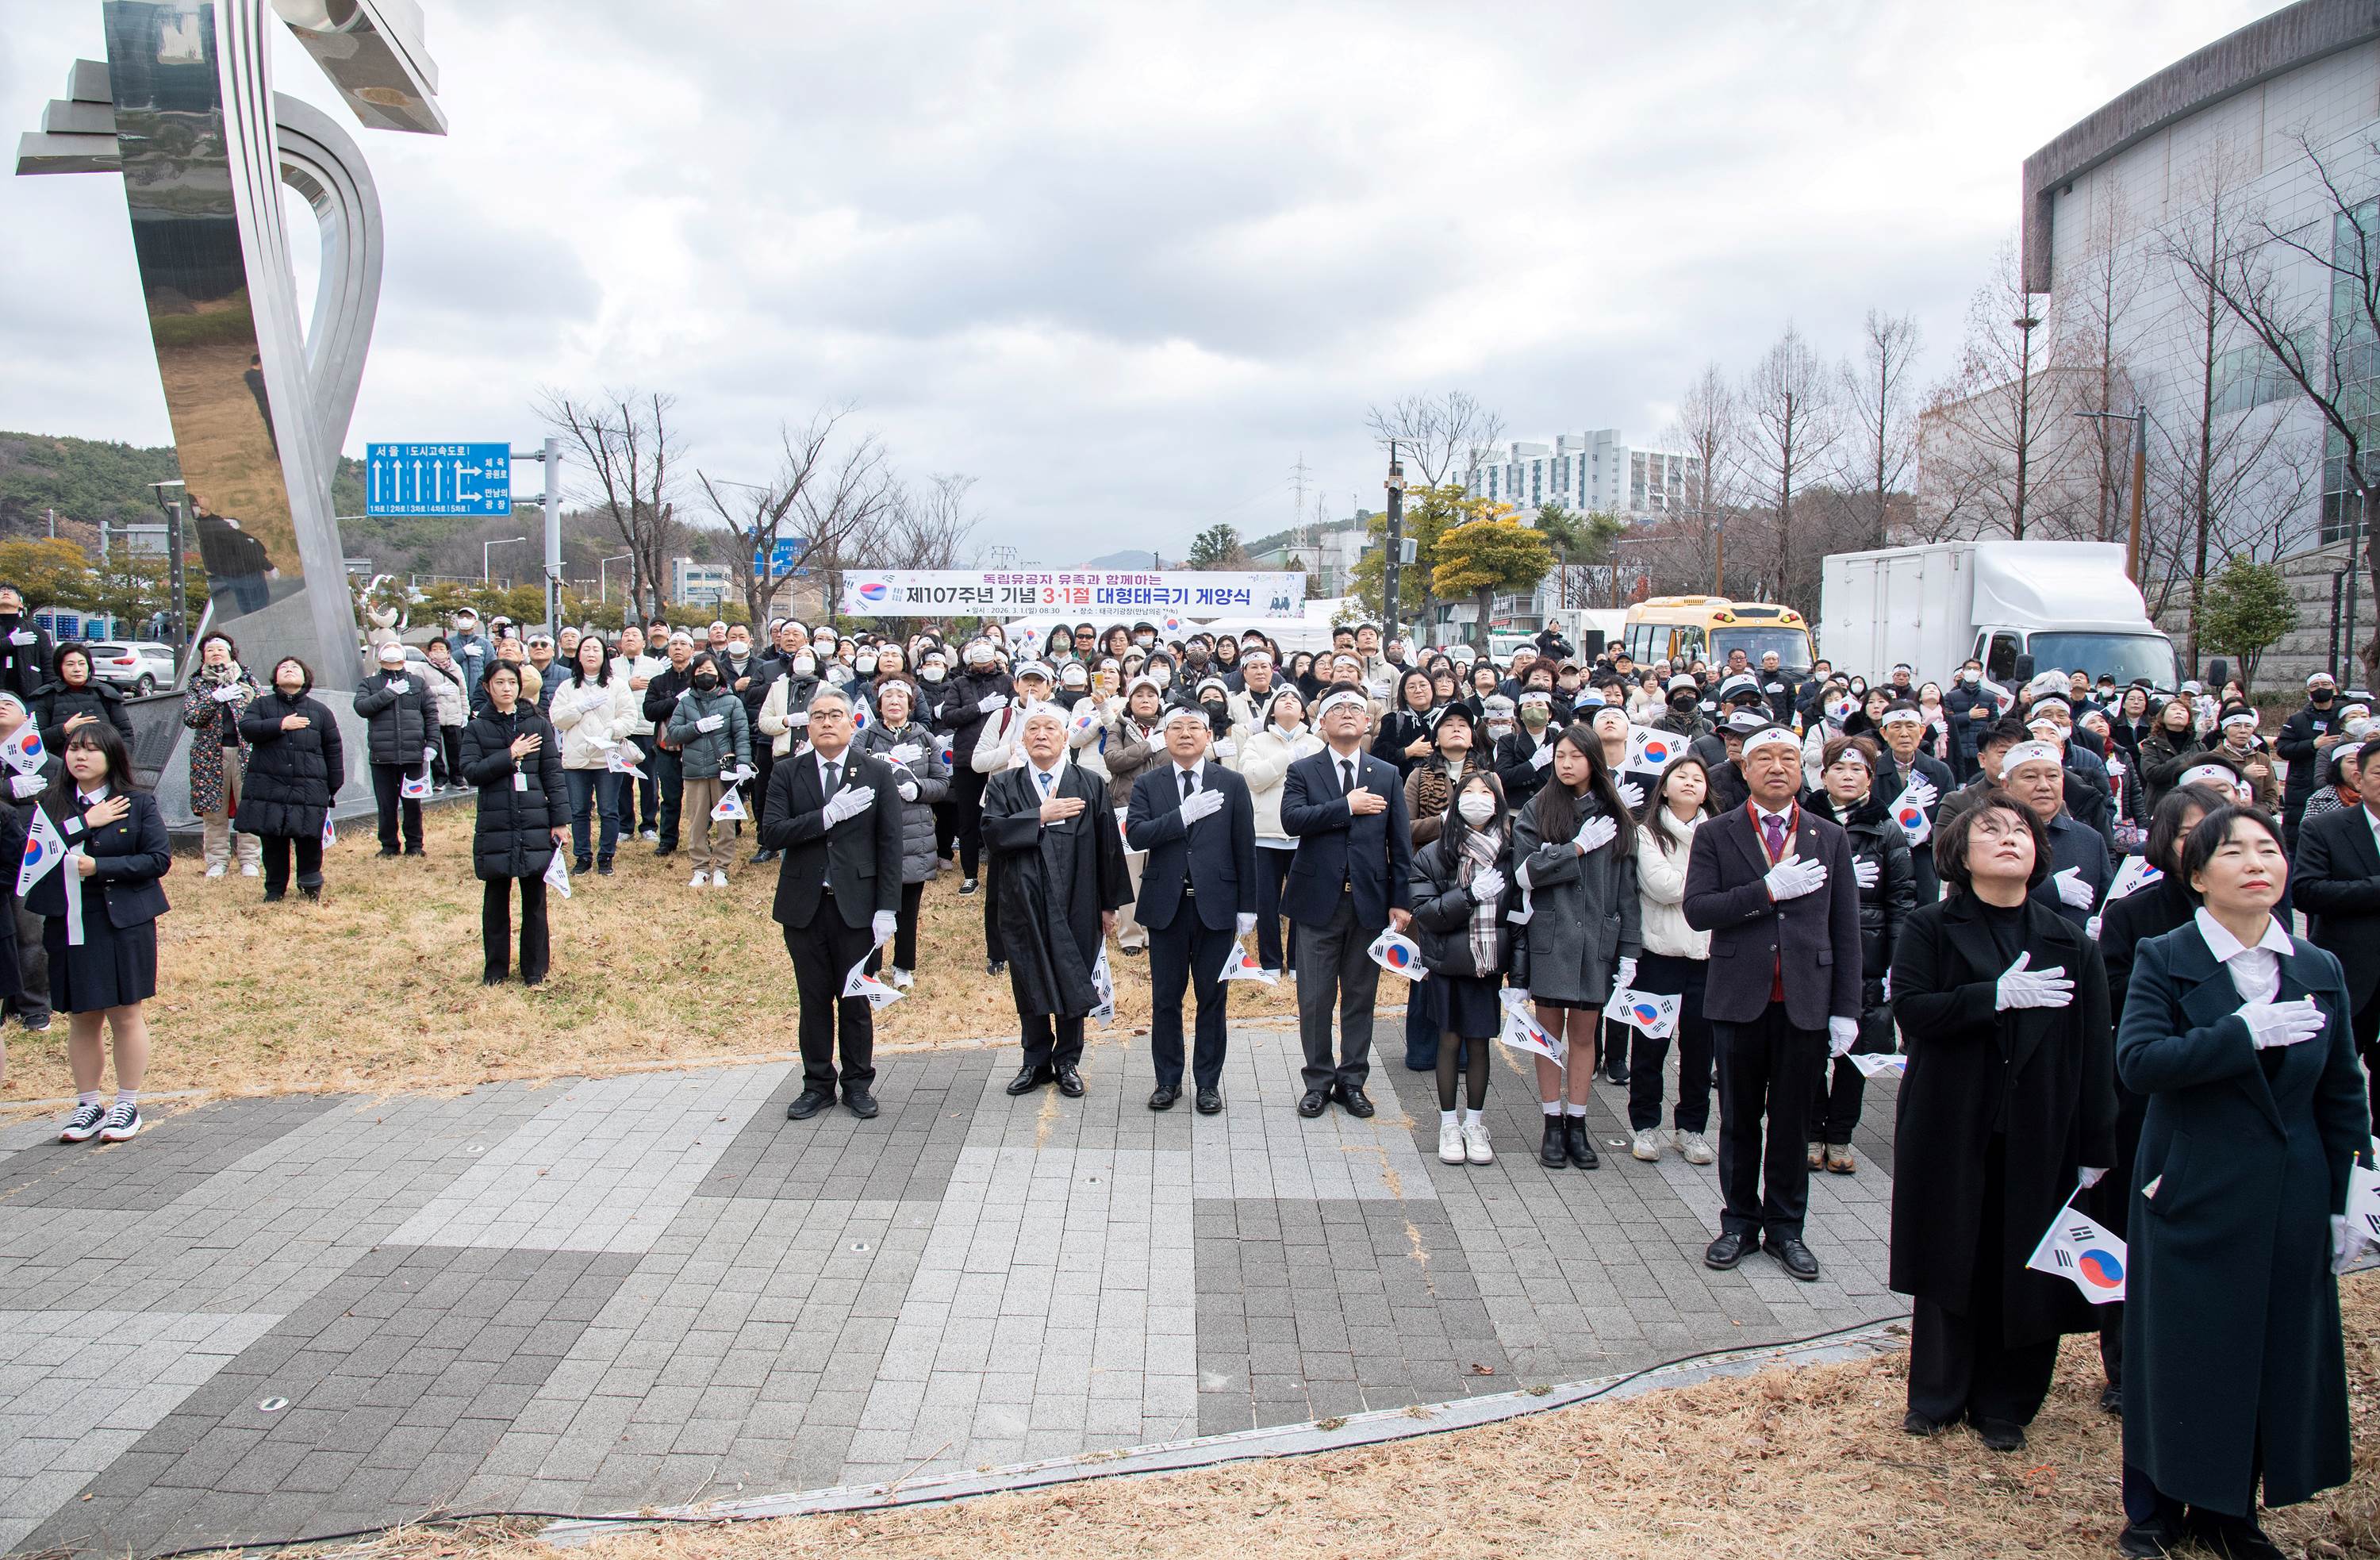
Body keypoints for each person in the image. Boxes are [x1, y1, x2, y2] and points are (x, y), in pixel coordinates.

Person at [2113, 805, 2368, 1558]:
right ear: (2197, 877)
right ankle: (2153, 1507)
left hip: (2289, 1188)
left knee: (2267, 1348)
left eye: (2269, 848)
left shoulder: (2318, 968)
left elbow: (2342, 1095)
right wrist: (2241, 1033)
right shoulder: (2167, 955)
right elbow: (2140, 1064)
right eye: (2233, 852)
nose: (2258, 863)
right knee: (2179, 1348)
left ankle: (2232, 1511)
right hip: (2192, 1183)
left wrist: (2347, 1202)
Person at [1886, 794, 2116, 1452]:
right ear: (1960, 853)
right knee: (1949, 1253)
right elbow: (1914, 1011)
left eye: (2022, 831)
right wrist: (1993, 996)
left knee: (2028, 1263)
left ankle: (2006, 1402)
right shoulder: (1931, 926)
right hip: (1952, 1117)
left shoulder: (2070, 939)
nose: (2010, 838)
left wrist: (2097, 1143)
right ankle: (1937, 1394)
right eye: (1992, 830)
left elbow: (2095, 1051)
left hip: (2041, 1123)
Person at [1683, 726, 1863, 1282]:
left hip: (1804, 998)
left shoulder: (1828, 836)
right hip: (1740, 997)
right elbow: (1699, 910)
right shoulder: (1717, 833)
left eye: (1789, 758)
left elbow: (1846, 926)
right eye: (1765, 758)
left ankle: (1787, 1228)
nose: (1778, 767)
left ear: (1803, 771)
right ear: (1745, 770)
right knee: (1739, 1118)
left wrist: (1846, 1009)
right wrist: (1767, 890)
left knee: (1791, 1121)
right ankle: (1738, 1221)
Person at [2091, 782, 2227, 1418]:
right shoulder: (2133, 914)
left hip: (2229, 1104)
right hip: (2147, 1100)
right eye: (2188, 831)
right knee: (2131, 1227)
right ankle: (2124, 1364)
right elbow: (2116, 1002)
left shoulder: (2258, 916)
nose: (2205, 842)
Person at [762, 686, 903, 1121]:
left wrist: (887, 908)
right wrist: (826, 815)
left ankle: (858, 1083)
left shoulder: (876, 773)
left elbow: (889, 844)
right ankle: (817, 1084)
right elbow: (771, 833)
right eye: (818, 715)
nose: (826, 721)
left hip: (858, 908)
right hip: (805, 905)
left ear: (851, 722)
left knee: (856, 1000)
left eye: (835, 714)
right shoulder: (788, 772)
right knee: (814, 998)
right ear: (808, 723)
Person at [982, 704, 1130, 1098]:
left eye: (1051, 728)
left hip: (1078, 895)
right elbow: (992, 835)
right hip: (1022, 898)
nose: (1042, 735)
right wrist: (1039, 815)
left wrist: (1108, 904)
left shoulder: (1089, 783)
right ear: (1023, 739)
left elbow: (1108, 845)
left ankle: (1067, 1060)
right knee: (1028, 975)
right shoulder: (1004, 785)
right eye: (1034, 729)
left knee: (1073, 971)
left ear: (1066, 737)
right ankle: (1034, 1060)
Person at [1280, 686, 1415, 1119]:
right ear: (1321, 722)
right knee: (1315, 998)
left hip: (1370, 904)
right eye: (1336, 708)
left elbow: (1400, 843)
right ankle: (1317, 1081)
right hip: (1318, 902)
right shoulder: (1303, 769)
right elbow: (1291, 821)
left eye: (1355, 708)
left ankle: (1352, 1081)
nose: (1346, 714)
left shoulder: (1386, 773)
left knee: (1360, 996)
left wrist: (1401, 900)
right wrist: (1346, 805)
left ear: (1368, 722)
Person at [1511, 722, 1639, 1169]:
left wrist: (1630, 951)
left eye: (1576, 757)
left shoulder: (1614, 814)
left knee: (1585, 1036)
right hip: (1551, 935)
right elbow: (1524, 872)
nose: (1566, 764)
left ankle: (1578, 1123)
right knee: (1548, 1035)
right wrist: (1576, 850)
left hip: (1597, 939)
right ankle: (1550, 1123)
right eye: (1560, 756)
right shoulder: (1537, 808)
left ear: (1593, 761)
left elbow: (1627, 890)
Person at [33, 724, 167, 1146]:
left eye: (91, 750)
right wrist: (83, 823)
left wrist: (100, 868)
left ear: (111, 757)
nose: (80, 757)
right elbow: (32, 858)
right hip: (70, 919)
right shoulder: (50, 804)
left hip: (124, 918)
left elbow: (157, 859)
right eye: (74, 748)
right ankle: (88, 1103)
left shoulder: (138, 802)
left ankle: (127, 1102)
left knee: (125, 1012)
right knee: (82, 1015)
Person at [1125, 703, 1257, 1115]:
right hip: (1167, 905)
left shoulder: (1231, 782)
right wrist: (1181, 816)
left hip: (1215, 906)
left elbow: (1244, 846)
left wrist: (1247, 906)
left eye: (1194, 727)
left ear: (1209, 736)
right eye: (1176, 727)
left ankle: (1207, 1084)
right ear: (1165, 737)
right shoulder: (1150, 784)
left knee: (1212, 997)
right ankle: (1167, 1080)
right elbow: (1138, 835)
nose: (1185, 734)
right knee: (1165, 998)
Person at [1802, 735, 1914, 1175]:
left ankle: (1841, 1134)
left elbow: (1902, 898)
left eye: (1858, 770)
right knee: (1809, 1043)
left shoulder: (1886, 827)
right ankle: (1811, 1131)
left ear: (1870, 777)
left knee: (1856, 1049)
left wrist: (1896, 960)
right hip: (1812, 947)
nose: (1848, 777)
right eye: (1839, 769)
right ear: (1823, 773)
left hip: (1867, 950)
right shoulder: (1806, 818)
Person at [1409, 769, 1514, 1166]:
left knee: (1479, 1042)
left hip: (1488, 964)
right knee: (1449, 1039)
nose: (1477, 798)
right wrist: (1468, 895)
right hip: (1449, 963)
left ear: (1498, 801)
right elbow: (1426, 913)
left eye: (1486, 792)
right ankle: (1448, 1123)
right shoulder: (1434, 853)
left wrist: (1517, 975)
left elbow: (1520, 916)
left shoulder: (1511, 850)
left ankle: (1475, 1123)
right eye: (1468, 791)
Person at [2286, 732, 2380, 1134]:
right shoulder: (2326, 827)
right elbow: (2306, 892)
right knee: (2337, 1071)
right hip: (2349, 970)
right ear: (2359, 778)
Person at [1629, 754, 1718, 1165]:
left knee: (1701, 1047)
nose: (1688, 783)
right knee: (1650, 1044)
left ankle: (1693, 1128)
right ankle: (1646, 1125)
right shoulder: (1646, 833)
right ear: (1663, 786)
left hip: (1706, 954)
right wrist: (1709, 887)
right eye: (1680, 776)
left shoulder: (1719, 833)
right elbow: (1661, 887)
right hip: (1658, 954)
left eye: (1697, 778)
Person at [459, 662, 566, 985]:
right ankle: (495, 970)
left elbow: (553, 774)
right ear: (488, 687)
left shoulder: (539, 724)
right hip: (496, 820)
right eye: (499, 682)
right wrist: (510, 754)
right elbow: (471, 771)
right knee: (495, 900)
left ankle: (535, 970)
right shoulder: (477, 728)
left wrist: (560, 820)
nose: (506, 688)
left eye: (511, 682)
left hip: (535, 818)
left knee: (535, 900)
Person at [854, 676, 950, 989]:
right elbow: (851, 777)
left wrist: (917, 788)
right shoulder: (865, 737)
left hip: (915, 831)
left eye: (901, 696)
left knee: (909, 907)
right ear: (879, 704)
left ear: (910, 703)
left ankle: (904, 966)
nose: (895, 701)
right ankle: (871, 966)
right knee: (873, 904)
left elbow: (942, 783)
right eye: (888, 696)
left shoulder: (924, 738)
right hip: (874, 830)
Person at [1401, 703, 1480, 1071]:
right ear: (1436, 735)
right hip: (1429, 879)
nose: (1456, 730)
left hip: (1474, 878)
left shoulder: (1486, 776)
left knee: (1467, 963)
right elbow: (1405, 828)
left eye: (1463, 724)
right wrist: (1442, 822)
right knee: (1426, 965)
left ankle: (1464, 1053)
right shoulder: (1418, 776)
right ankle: (1421, 1049)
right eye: (1448, 724)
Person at [234, 657, 344, 903]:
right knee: (273, 840)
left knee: (308, 839)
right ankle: (274, 890)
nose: (289, 669)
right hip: (269, 786)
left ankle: (310, 885)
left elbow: (333, 749)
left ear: (306, 678)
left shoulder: (320, 711)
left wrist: (333, 786)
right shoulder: (261, 705)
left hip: (309, 787)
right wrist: (281, 724)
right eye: (284, 667)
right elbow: (247, 728)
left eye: (295, 667)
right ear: (275, 677)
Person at [1241, 686, 1319, 977]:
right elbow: (1252, 778)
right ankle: (1271, 962)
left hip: (1303, 834)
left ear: (1303, 712)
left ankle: (1299, 962)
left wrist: (1273, 772)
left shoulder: (1315, 744)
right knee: (1267, 904)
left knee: (1301, 902)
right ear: (1271, 710)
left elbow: (1317, 787)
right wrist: (1288, 759)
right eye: (1282, 699)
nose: (1289, 701)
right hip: (1264, 834)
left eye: (1295, 699)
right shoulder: (1256, 741)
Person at [1998, 739, 2111, 929]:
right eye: (2030, 777)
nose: (2044, 785)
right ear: (2006, 785)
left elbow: (2105, 902)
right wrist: (2049, 890)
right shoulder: (1990, 835)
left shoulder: (2090, 839)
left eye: (2053, 776)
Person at [666, 652, 753, 889]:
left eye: (710, 671)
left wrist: (743, 762)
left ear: (719, 673)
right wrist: (696, 727)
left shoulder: (733, 701)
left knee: (726, 822)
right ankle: (700, 868)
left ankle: (722, 868)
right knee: (696, 822)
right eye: (700, 671)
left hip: (723, 771)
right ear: (694, 675)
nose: (705, 675)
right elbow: (672, 733)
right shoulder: (686, 702)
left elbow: (742, 735)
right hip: (694, 771)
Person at [178, 631, 262, 878]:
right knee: (213, 811)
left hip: (245, 753)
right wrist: (213, 699)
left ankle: (250, 860)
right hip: (209, 757)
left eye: (220, 649)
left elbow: (261, 712)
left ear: (230, 653)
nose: (215, 654)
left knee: (248, 806)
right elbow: (191, 717)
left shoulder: (247, 679)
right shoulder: (197, 684)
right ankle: (217, 861)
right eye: (210, 651)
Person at [551, 633, 634, 876]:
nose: (590, 654)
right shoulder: (567, 686)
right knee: (579, 810)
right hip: (576, 760)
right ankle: (582, 855)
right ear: (578, 654)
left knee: (608, 809)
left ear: (604, 655)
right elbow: (557, 718)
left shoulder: (617, 685)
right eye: (586, 649)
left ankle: (606, 855)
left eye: (596, 649)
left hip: (607, 757)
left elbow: (629, 718)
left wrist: (611, 730)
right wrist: (579, 708)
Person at [1099, 675, 1167, 958]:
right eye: (1139, 695)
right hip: (1127, 806)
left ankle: (1154, 929)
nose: (1145, 700)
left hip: (1165, 807)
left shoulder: (1171, 725)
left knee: (1160, 870)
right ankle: (1131, 935)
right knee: (1131, 873)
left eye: (1151, 695)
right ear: (1130, 701)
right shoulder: (1120, 726)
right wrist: (1149, 746)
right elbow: (1113, 760)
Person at [352, 641, 436, 859]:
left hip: (412, 754)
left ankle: (415, 844)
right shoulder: (369, 684)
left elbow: (431, 715)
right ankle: (389, 845)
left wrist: (432, 744)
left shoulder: (417, 683)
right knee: (386, 804)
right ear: (379, 659)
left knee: (412, 803)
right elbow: (362, 707)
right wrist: (387, 693)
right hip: (383, 755)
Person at [942, 640, 1013, 896]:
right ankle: (970, 874)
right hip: (967, 757)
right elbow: (948, 716)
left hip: (1001, 757)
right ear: (970, 662)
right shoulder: (960, 684)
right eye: (979, 664)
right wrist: (978, 708)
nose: (984, 668)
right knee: (969, 818)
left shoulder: (1007, 681)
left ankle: (1003, 868)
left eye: (988, 664)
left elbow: (1017, 709)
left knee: (1003, 814)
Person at [2275, 670, 2352, 845]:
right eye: (2315, 686)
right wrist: (2313, 745)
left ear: (2334, 688)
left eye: (2325, 685)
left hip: (2339, 785)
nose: (2320, 689)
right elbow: (2283, 748)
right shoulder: (2297, 719)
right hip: (2301, 785)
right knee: (2297, 837)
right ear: (2308, 691)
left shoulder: (2346, 719)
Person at [642, 632, 699, 855]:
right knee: (670, 796)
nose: (678, 648)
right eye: (674, 643)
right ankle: (667, 840)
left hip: (695, 746)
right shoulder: (659, 681)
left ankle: (700, 838)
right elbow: (650, 711)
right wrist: (676, 700)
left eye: (683, 644)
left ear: (692, 650)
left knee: (699, 799)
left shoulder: (699, 678)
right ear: (668, 649)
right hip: (667, 747)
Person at [33, 643, 135, 753]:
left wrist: (117, 763)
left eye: (82, 664)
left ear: (89, 666)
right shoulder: (47, 696)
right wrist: (64, 730)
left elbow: (126, 735)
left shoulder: (106, 693)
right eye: (70, 664)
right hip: (61, 765)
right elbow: (35, 740)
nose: (77, 669)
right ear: (60, 668)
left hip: (103, 764)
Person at [421, 638, 470, 791]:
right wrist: (437, 690)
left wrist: (465, 713)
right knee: (435, 748)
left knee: (455, 748)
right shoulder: (423, 668)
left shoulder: (456, 668)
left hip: (453, 714)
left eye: (441, 649)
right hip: (433, 715)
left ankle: (457, 778)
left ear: (448, 652)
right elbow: (419, 691)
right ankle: (439, 779)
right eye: (434, 648)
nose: (438, 652)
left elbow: (463, 692)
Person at [0, 584, 54, 705]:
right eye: (2, 590)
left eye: (12, 591)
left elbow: (49, 665)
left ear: (21, 604)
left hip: (30, 696)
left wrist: (49, 692)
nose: (6, 592)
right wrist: (9, 642)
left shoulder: (35, 630)